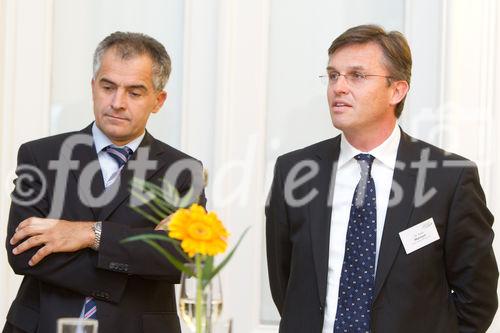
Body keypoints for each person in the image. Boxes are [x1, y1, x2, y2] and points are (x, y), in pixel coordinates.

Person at [266, 24, 498, 333]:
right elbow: (286, 285)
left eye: (357, 76)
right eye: (333, 75)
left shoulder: (450, 179)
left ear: (397, 90)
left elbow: (477, 298)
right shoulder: (294, 171)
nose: (339, 87)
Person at [4, 32, 205, 333]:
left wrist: (89, 234)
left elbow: (181, 259)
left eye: (134, 93)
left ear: (158, 100)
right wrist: (139, 254)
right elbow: (24, 254)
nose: (117, 102)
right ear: (93, 87)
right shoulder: (40, 156)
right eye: (108, 87)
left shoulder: (183, 170)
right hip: (41, 325)